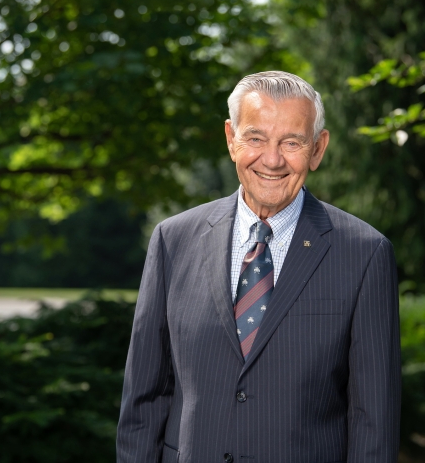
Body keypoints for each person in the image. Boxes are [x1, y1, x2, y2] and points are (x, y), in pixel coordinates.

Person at [116, 71, 401, 463]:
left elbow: (374, 422)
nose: (272, 159)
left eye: (292, 142)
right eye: (255, 138)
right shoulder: (172, 240)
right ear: (231, 138)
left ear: (317, 149)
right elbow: (143, 403)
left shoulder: (365, 254)